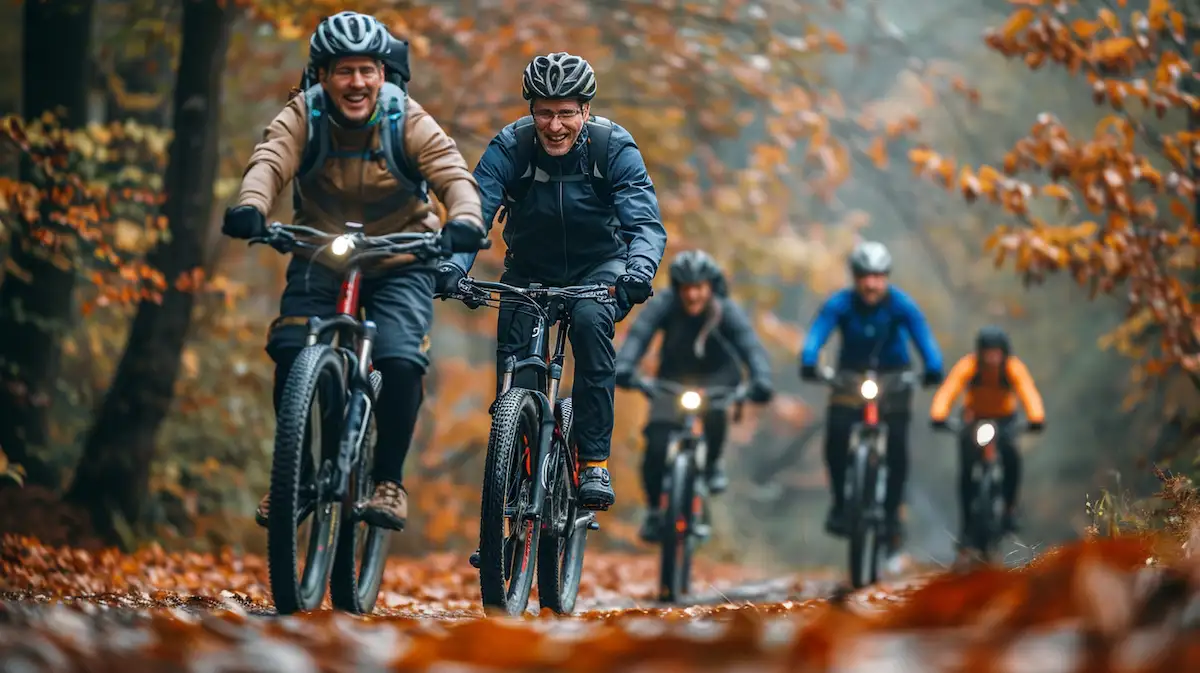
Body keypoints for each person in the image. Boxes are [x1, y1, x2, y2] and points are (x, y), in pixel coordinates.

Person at [220, 11, 488, 532]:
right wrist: (251, 206)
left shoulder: (405, 118)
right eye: (345, 71)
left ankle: (388, 481)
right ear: (322, 76)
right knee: (291, 347)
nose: (357, 82)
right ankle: (292, 478)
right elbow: (270, 160)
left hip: (402, 256)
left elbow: (452, 173)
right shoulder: (304, 114)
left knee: (401, 358)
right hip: (321, 250)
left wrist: (466, 220)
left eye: (368, 70)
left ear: (383, 74)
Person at [442, 51, 667, 516]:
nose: (555, 125)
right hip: (529, 271)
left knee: (589, 325)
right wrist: (452, 264)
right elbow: (474, 209)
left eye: (566, 112)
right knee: (514, 370)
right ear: (531, 112)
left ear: (585, 110)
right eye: (545, 112)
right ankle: (505, 490)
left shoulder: (612, 147)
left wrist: (638, 273)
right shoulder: (512, 146)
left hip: (599, 269)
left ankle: (593, 462)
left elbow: (644, 224)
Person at [613, 250, 775, 541]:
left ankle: (711, 465)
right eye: (686, 287)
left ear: (710, 287)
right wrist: (625, 366)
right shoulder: (664, 305)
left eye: (699, 287)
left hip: (718, 380)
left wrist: (760, 380)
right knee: (656, 444)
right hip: (671, 381)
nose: (693, 295)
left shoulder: (726, 311)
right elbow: (639, 335)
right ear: (677, 288)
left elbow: (750, 347)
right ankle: (653, 511)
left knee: (715, 415)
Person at [798, 241, 944, 543]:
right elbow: (817, 333)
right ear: (855, 278)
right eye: (865, 276)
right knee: (836, 437)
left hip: (894, 379)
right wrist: (810, 360)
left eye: (878, 276)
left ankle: (892, 514)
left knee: (898, 447)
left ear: (886, 277)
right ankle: (840, 504)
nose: (871, 283)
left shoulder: (901, 304)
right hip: (849, 378)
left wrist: (933, 366)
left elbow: (923, 336)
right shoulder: (840, 303)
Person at [929, 325, 1045, 538]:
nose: (992, 357)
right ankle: (966, 527)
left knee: (1011, 457)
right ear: (979, 353)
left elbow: (1027, 390)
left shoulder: (1013, 368)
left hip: (1004, 420)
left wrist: (1036, 418)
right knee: (966, 469)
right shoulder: (969, 366)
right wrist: (938, 414)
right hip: (974, 418)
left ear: (1004, 353)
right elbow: (950, 388)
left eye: (996, 352)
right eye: (987, 352)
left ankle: (1010, 509)